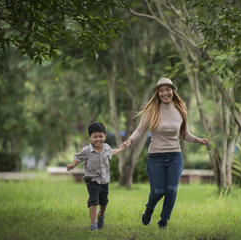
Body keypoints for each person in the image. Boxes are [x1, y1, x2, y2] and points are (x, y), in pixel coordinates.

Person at [121, 78, 209, 229]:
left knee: (171, 190)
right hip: (156, 156)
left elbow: (185, 134)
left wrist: (198, 140)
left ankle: (164, 221)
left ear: (173, 91)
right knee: (158, 191)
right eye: (161, 90)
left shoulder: (181, 110)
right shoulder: (152, 110)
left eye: (167, 89)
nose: (164, 93)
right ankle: (149, 209)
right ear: (157, 93)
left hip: (175, 156)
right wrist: (130, 140)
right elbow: (140, 130)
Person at [67, 122, 124, 231]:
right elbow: (78, 157)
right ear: (90, 138)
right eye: (95, 137)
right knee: (93, 200)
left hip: (104, 180)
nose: (98, 139)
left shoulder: (106, 148)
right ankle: (93, 225)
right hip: (91, 179)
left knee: (104, 201)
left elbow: (112, 152)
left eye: (101, 136)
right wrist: (72, 165)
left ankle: (101, 215)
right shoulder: (87, 150)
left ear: (105, 136)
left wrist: (121, 149)